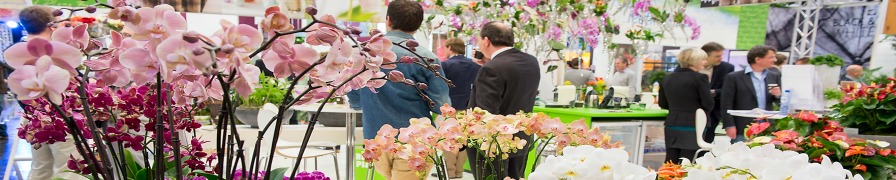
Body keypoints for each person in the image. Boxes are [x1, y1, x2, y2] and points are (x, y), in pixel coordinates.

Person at [346, 0, 450, 179]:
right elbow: (441, 104)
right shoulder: (426, 57)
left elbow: (354, 95)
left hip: (376, 138)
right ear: (418, 25)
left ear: (388, 20)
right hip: (414, 140)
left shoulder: (365, 54)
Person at [8, 6, 86, 180]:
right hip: (62, 117)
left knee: (40, 167)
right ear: (51, 24)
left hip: (33, 117)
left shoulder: (17, 51)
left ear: (23, 24)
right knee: (68, 166)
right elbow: (77, 81)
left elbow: (17, 85)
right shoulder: (59, 50)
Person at [467, 21, 540, 179]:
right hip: (521, 138)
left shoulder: (492, 68)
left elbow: (486, 112)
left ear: (486, 41)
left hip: (493, 145)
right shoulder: (531, 62)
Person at [658, 48, 714, 164]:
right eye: (703, 59)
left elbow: (662, 103)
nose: (705, 62)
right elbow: (708, 104)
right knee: (687, 162)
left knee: (670, 161)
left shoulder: (667, 78)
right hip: (693, 125)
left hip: (672, 124)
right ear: (695, 60)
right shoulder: (700, 78)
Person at [433, 37, 478, 179]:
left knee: (449, 141)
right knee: (463, 141)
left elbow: (438, 87)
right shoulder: (475, 65)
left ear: (450, 48)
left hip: (450, 109)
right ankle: (459, 171)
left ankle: (450, 172)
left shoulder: (445, 65)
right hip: (468, 109)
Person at [721, 45, 782, 143]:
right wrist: (729, 125)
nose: (774, 60)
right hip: (742, 126)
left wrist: (778, 95)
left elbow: (778, 101)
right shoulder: (734, 77)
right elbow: (726, 103)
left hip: (766, 126)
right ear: (758, 59)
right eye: (771, 57)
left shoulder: (774, 76)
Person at [698, 42, 735, 143]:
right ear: (705, 56)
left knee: (707, 138)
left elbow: (728, 90)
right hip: (691, 109)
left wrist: (712, 92)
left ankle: (703, 157)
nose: (720, 58)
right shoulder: (691, 66)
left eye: (721, 55)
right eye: (717, 56)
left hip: (713, 110)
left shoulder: (727, 68)